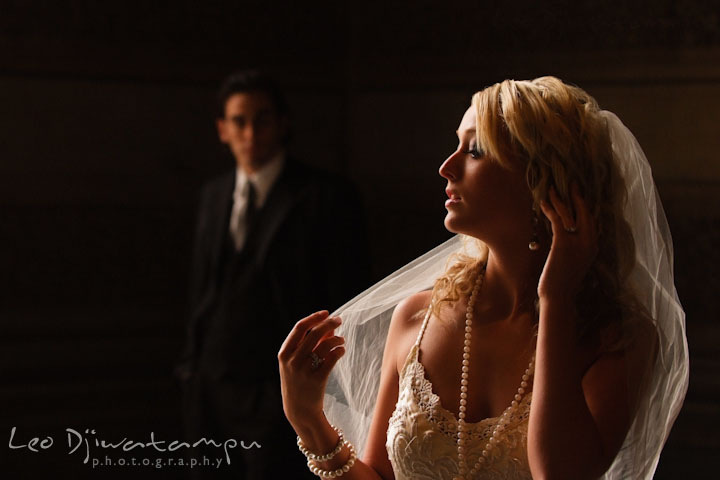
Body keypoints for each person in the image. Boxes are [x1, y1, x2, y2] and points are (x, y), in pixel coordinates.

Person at [278, 77, 688, 479]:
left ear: (540, 180)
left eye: (474, 151)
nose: (446, 167)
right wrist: (309, 421)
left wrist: (556, 298)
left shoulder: (615, 339)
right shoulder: (416, 319)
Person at [177, 70, 369, 479]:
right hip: (210, 389)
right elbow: (202, 290)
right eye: (239, 121)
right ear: (222, 130)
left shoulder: (327, 197)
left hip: (278, 394)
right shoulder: (212, 196)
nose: (250, 132)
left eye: (261, 119)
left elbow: (344, 303)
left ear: (282, 124)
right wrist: (193, 370)